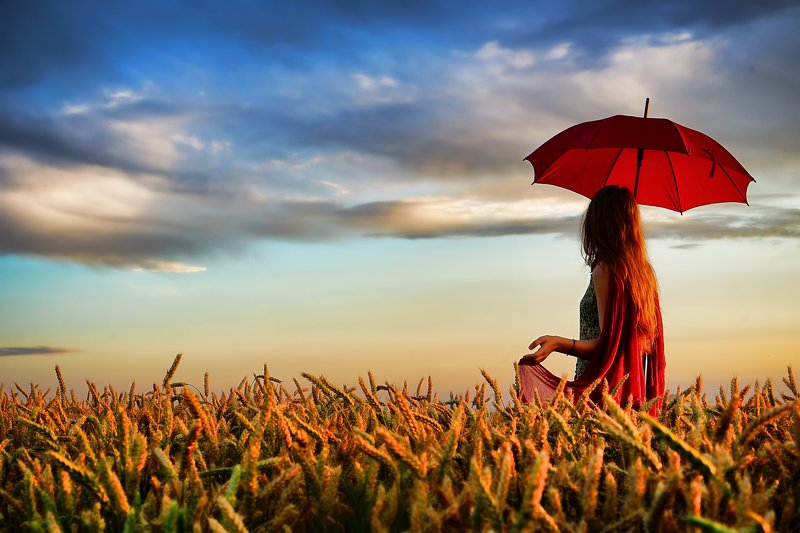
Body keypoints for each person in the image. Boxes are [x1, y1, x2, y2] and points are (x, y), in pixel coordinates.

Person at [518, 185, 665, 411]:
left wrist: (558, 343)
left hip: (598, 386)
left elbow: (606, 345)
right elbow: (644, 343)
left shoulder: (606, 270)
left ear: (599, 223)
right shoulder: (643, 273)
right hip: (630, 391)